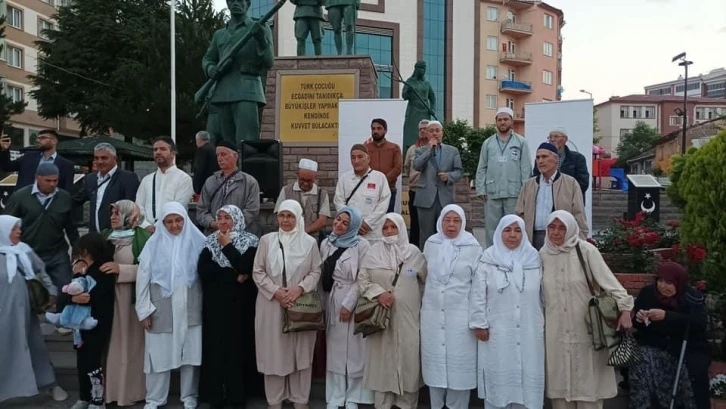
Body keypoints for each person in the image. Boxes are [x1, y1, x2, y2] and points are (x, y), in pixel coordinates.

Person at [541, 210, 633, 409]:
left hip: (587, 332)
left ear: (572, 229)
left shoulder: (585, 251)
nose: (556, 232)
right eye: (552, 227)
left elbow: (611, 284)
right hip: (555, 335)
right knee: (560, 396)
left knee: (588, 391)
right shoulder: (542, 255)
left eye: (562, 227)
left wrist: (625, 309)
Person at [135, 202, 206, 409]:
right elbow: (143, 279)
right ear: (162, 223)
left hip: (190, 307)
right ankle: (154, 399)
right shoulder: (153, 244)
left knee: (191, 354)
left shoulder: (198, 242)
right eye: (169, 222)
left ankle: (189, 396)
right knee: (158, 355)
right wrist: (143, 310)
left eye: (178, 220)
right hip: (160, 308)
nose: (175, 226)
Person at [252, 200, 322, 409]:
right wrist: (276, 292)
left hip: (300, 304)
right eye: (281, 216)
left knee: (300, 353)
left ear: (298, 217)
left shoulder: (309, 243)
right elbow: (258, 271)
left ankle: (300, 398)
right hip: (271, 304)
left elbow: (316, 271)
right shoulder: (266, 241)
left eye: (290, 216)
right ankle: (275, 399)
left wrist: (299, 289)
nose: (285, 220)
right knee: (274, 352)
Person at [473, 215, 544, 409]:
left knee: (527, 378)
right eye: (507, 230)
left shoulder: (534, 258)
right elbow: (478, 294)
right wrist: (480, 323)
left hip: (530, 329)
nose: (512, 235)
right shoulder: (489, 258)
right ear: (499, 233)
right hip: (497, 330)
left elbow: (544, 294)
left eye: (518, 230)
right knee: (499, 374)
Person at [358, 213, 427, 409]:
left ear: (401, 229)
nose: (389, 231)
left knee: (408, 358)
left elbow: (424, 280)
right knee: (382, 360)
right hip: (381, 316)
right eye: (385, 228)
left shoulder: (413, 253)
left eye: (393, 227)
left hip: (407, 318)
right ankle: (383, 404)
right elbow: (363, 280)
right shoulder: (373, 252)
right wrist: (379, 294)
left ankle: (406, 404)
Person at [198, 205, 260, 409]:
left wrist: (226, 246)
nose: (223, 222)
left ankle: (237, 396)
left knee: (238, 350)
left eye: (228, 218)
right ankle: (215, 395)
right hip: (215, 305)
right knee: (215, 349)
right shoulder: (209, 241)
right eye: (220, 218)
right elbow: (204, 271)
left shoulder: (250, 241)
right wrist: (233, 275)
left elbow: (246, 267)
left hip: (240, 306)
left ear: (237, 220)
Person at [0, 215, 68, 403]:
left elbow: (40, 272)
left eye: (18, 228)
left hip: (25, 314)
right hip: (3, 315)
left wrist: (52, 293)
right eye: (14, 229)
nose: (19, 232)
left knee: (36, 349)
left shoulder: (24, 251)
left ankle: (50, 384)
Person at [421, 205, 481, 409]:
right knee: (435, 366)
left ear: (463, 223)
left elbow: (478, 285)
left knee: (459, 370)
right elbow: (423, 276)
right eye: (447, 220)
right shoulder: (431, 243)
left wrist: (477, 318)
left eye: (457, 220)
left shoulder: (472, 247)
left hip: (461, 317)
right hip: (433, 315)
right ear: (440, 221)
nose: (452, 225)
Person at [630, 262, 709, 409]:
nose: (663, 286)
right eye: (660, 281)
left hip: (686, 347)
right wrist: (640, 318)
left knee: (693, 372)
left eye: (669, 282)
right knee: (641, 360)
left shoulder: (691, 297)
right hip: (655, 344)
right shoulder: (648, 293)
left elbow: (699, 324)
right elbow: (637, 324)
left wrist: (667, 316)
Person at [320, 206, 374, 409]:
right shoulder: (327, 242)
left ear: (353, 226)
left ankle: (354, 396)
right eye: (338, 220)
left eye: (345, 222)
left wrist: (349, 304)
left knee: (355, 350)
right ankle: (335, 396)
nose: (339, 225)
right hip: (331, 297)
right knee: (334, 350)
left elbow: (362, 277)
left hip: (352, 299)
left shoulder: (362, 245)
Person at [100, 200, 151, 407]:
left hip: (131, 299)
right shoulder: (104, 236)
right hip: (108, 298)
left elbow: (152, 269)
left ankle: (130, 392)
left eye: (117, 213)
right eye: (112, 213)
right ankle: (110, 392)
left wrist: (122, 270)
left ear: (130, 216)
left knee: (130, 345)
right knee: (110, 345)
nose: (112, 217)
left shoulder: (144, 238)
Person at [202, 0, 274, 144]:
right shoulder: (220, 34)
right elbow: (208, 58)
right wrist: (210, 69)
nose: (236, 3)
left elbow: (269, 61)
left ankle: (245, 167)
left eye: (240, 1)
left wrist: (261, 40)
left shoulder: (260, 27)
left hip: (247, 90)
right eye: (232, 1)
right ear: (228, 4)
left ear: (248, 4)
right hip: (223, 92)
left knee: (246, 142)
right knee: (227, 145)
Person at [5, 162, 79, 293]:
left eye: (55, 180)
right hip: (29, 253)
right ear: (37, 178)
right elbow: (6, 224)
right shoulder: (20, 196)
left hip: (57, 254)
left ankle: (59, 312)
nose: (52, 184)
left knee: (64, 291)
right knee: (31, 293)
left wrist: (78, 251)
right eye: (48, 180)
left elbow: (71, 227)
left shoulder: (64, 197)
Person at [68, 232, 117, 409]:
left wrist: (82, 296)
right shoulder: (80, 268)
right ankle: (84, 397)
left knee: (93, 362)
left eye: (83, 252)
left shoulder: (103, 270)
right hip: (79, 326)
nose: (80, 256)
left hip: (97, 323)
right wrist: (73, 298)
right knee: (81, 361)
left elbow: (97, 296)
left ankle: (98, 400)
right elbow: (68, 293)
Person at [475, 107, 532, 248]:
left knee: (513, 226)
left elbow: (526, 169)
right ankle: (491, 256)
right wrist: (481, 189)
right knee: (492, 228)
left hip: (514, 193)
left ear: (512, 121)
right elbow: (482, 167)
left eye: (506, 119)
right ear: (496, 122)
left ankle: (515, 254)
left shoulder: (521, 142)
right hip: (492, 193)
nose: (502, 122)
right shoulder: (488, 143)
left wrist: (525, 193)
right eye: (499, 120)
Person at [515, 142, 588, 250]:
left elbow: (579, 214)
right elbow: (519, 214)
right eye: (538, 157)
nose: (540, 161)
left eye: (544, 157)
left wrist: (580, 242)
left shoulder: (570, 183)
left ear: (556, 159)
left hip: (560, 238)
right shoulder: (528, 185)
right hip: (532, 239)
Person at [413, 121, 463, 248]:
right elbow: (417, 166)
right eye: (431, 131)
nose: (434, 133)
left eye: (437, 130)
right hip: (425, 198)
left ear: (442, 133)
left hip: (444, 198)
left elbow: (459, 172)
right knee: (425, 234)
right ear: (426, 133)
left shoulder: (453, 151)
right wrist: (429, 149)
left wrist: (449, 176)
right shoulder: (420, 150)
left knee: (445, 232)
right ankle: (425, 262)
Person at [197, 140, 261, 236]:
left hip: (241, 236)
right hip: (214, 235)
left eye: (223, 154)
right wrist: (214, 224)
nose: (219, 159)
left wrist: (231, 224)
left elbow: (252, 210)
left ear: (235, 156)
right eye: (217, 155)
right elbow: (202, 210)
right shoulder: (210, 182)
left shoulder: (249, 182)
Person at [73, 143, 140, 232]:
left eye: (104, 158)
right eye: (96, 158)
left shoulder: (128, 178)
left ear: (115, 159)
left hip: (117, 237)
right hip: (95, 238)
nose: (99, 162)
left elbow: (130, 208)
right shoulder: (91, 179)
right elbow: (76, 200)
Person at [334, 144, 391, 241]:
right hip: (350, 232)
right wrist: (354, 223)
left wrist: (368, 223)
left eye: (360, 157)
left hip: (372, 234)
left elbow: (383, 204)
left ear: (368, 158)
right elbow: (338, 202)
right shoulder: (344, 178)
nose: (356, 161)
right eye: (353, 157)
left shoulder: (380, 178)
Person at [136, 137, 194, 230]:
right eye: (155, 149)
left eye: (163, 149)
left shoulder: (184, 179)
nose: (158, 152)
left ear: (173, 153)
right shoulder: (147, 180)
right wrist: (146, 226)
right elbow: (138, 207)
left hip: (172, 231)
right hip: (146, 232)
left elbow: (178, 208)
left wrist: (158, 227)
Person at [0, 129, 75, 191]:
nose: (38, 140)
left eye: (42, 138)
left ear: (54, 141)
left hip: (49, 206)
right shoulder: (28, 157)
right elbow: (7, 167)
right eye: (38, 138)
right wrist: (4, 150)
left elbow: (67, 191)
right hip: (24, 203)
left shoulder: (66, 165)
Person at [274, 158, 331, 237]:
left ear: (315, 177)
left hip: (313, 240)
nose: (305, 183)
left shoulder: (322, 194)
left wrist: (302, 233)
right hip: (288, 237)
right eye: (302, 179)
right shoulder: (286, 191)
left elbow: (322, 221)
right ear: (297, 174)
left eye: (309, 181)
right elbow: (279, 215)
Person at [533, 127, 589, 201]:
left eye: (556, 136)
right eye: (550, 137)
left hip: (570, 200)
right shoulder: (541, 159)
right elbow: (536, 178)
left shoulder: (577, 158)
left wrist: (564, 195)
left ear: (565, 139)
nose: (552, 139)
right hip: (546, 199)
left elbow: (583, 183)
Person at [365, 118, 402, 213]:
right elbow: (363, 168)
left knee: (387, 220)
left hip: (389, 189)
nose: (375, 131)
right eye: (373, 129)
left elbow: (397, 168)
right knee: (370, 220)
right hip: (370, 190)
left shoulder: (394, 148)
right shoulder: (365, 148)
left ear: (385, 130)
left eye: (379, 128)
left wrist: (382, 181)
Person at [403, 119, 429, 245]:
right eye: (420, 129)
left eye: (425, 128)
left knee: (429, 222)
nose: (423, 131)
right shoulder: (412, 149)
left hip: (430, 191)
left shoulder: (435, 148)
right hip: (415, 190)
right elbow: (407, 167)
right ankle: (413, 250)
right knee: (415, 223)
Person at [402, 61, 436, 150]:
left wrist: (433, 108)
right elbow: (404, 96)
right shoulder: (410, 81)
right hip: (413, 110)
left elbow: (432, 97)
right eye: (420, 68)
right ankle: (410, 150)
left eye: (424, 69)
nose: (422, 70)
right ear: (416, 69)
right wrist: (409, 90)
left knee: (426, 132)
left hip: (425, 111)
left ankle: (426, 148)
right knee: (412, 133)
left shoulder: (427, 84)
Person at [193, 131, 220, 196]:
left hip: (204, 186)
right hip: (216, 184)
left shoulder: (202, 150)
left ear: (199, 140)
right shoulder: (215, 149)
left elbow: (199, 169)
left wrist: (196, 188)